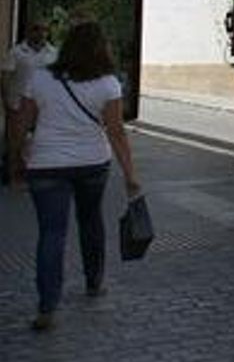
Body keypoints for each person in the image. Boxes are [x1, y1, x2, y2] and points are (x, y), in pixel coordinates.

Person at [5, 21, 139, 332]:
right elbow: (117, 133)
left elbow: (20, 123)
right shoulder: (108, 83)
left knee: (52, 233)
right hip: (93, 163)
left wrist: (14, 159)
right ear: (100, 48)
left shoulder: (40, 79)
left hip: (46, 164)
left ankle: (47, 307)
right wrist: (131, 175)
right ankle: (94, 282)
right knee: (91, 221)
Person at [1, 22, 57, 187]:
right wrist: (7, 103)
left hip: (44, 104)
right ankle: (13, 178)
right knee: (15, 143)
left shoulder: (54, 53)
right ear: (28, 32)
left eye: (43, 30)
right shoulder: (16, 52)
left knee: (41, 141)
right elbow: (5, 78)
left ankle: (35, 175)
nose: (40, 33)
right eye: (36, 29)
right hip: (18, 103)